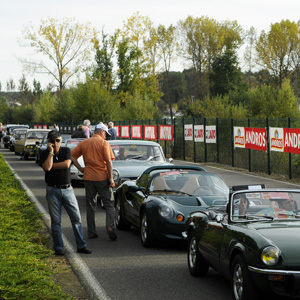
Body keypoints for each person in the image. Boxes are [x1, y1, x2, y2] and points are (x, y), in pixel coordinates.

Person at [39, 130, 91, 256]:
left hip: (67, 189)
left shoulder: (66, 150)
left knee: (76, 218)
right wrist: (51, 153)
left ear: (61, 140)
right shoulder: (44, 153)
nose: (55, 143)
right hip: (52, 190)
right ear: (48, 142)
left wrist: (52, 165)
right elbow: (46, 167)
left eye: (57, 140)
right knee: (56, 221)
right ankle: (59, 247)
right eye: (52, 141)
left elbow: (67, 164)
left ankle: (81, 245)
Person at [71, 124, 117, 241]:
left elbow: (73, 156)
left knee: (90, 206)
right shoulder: (104, 143)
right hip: (102, 178)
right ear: (102, 132)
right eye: (106, 134)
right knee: (109, 204)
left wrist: (81, 169)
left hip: (88, 178)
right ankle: (110, 227)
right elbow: (108, 161)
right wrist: (111, 178)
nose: (106, 136)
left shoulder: (85, 143)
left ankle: (91, 232)